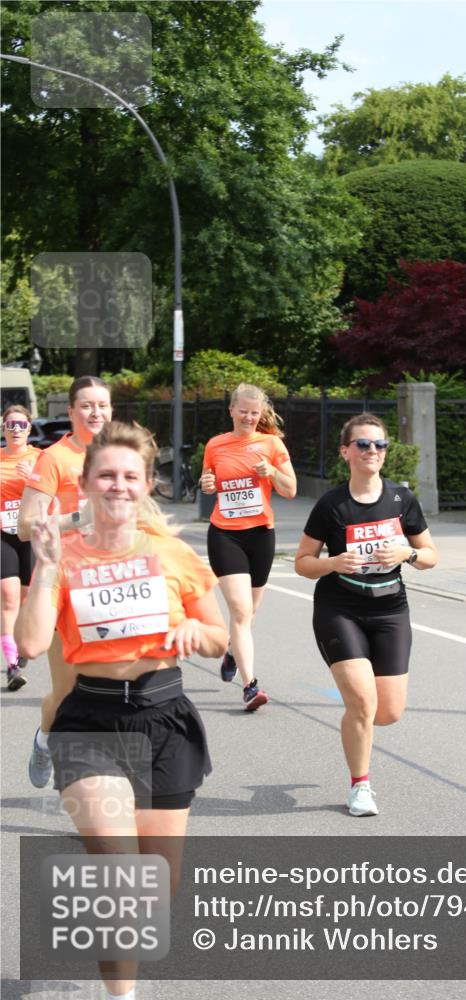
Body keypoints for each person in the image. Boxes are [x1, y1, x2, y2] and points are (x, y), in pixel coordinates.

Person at [15, 420, 228, 1000]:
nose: (117, 485)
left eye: (129, 476)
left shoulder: (173, 554)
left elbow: (218, 637)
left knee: (159, 887)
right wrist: (50, 568)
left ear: (146, 484)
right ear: (85, 483)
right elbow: (30, 644)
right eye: (105, 474)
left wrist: (192, 630)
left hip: (165, 718)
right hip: (92, 722)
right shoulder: (64, 555)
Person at [295, 413, 437, 817]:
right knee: (362, 701)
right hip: (340, 607)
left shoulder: (401, 500)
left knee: (386, 712)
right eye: (362, 444)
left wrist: (407, 554)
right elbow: (303, 562)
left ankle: (355, 727)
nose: (372, 450)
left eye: (379, 445)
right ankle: (360, 786)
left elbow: (430, 556)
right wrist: (334, 562)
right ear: (346, 452)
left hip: (390, 607)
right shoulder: (332, 505)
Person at [18, 375, 112, 786]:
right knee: (68, 691)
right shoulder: (54, 458)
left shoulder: (119, 456)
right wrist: (78, 518)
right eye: (87, 406)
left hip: (109, 581)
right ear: (72, 411)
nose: (96, 413)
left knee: (109, 687)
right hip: (63, 582)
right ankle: (45, 738)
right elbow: (24, 526)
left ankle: (90, 787)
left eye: (103, 406)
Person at [200, 383, 297, 710]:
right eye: (243, 411)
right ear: (231, 410)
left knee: (250, 613)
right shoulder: (215, 444)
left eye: (254, 413)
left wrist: (271, 471)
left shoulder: (271, 444)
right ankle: (250, 686)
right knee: (240, 611)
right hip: (225, 534)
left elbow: (290, 490)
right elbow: (208, 482)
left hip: (261, 535)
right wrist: (207, 483)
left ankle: (231, 651)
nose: (248, 418)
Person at [0, 405, 40, 690]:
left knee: (27, 596)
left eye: (21, 425)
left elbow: (55, 499)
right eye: (10, 424)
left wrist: (32, 479)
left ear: (29, 427)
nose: (15, 429)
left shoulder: (40, 458)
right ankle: (12, 665)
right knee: (8, 595)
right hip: (3, 533)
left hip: (31, 533)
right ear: (3, 428)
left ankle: (22, 642)